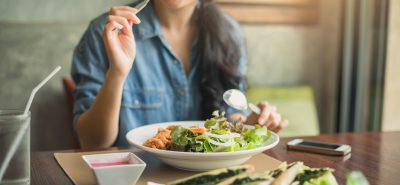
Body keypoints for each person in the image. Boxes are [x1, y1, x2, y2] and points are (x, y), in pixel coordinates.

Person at [71, 0, 288, 149]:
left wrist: (250, 123)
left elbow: (230, 118)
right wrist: (117, 74)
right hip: (132, 182)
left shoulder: (228, 32)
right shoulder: (108, 31)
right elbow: (91, 142)